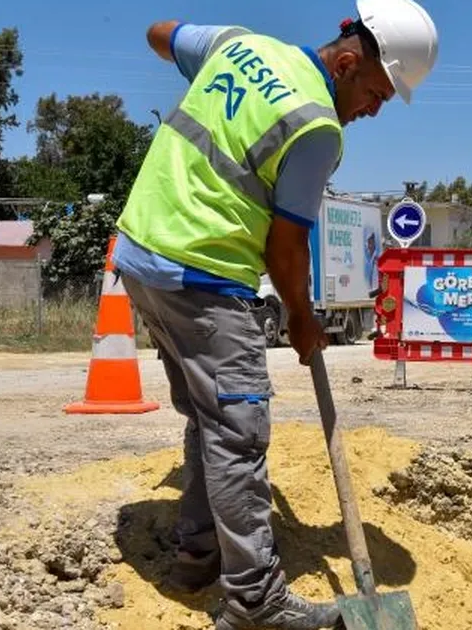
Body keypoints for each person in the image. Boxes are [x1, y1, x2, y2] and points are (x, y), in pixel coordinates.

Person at [109, 2, 438, 628]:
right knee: (239, 431)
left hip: (141, 258)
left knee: (212, 417)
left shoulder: (239, 44)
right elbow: (284, 248)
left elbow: (159, 34)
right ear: (345, 62)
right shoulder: (316, 127)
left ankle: (199, 550)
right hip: (203, 273)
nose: (373, 110)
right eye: (375, 93)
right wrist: (302, 319)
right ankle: (255, 600)